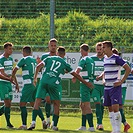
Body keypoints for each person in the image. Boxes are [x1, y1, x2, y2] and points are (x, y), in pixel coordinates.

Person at [28, 46, 93, 131]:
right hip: (54, 83)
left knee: (37, 102)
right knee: (56, 104)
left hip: (44, 81)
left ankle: (33, 122)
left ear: (57, 53)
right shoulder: (64, 63)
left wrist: (35, 78)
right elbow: (75, 74)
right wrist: (85, 82)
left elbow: (38, 67)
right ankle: (54, 125)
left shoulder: (49, 58)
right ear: (64, 54)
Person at [98, 41, 131, 133]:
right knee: (110, 109)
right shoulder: (105, 58)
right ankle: (114, 129)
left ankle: (117, 130)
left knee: (116, 108)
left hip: (115, 87)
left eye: (104, 47)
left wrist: (121, 81)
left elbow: (128, 69)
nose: (102, 49)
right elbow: (105, 71)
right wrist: (104, 80)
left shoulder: (116, 58)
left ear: (109, 48)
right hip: (107, 87)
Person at [11, 46, 46, 130]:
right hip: (35, 84)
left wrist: (15, 82)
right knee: (34, 104)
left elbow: (14, 70)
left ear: (23, 52)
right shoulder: (34, 60)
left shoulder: (24, 59)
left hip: (28, 84)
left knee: (22, 104)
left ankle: (24, 125)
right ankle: (44, 121)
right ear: (31, 52)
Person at [72, 44, 95, 132]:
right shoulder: (91, 60)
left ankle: (91, 126)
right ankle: (83, 126)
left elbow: (78, 70)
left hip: (85, 84)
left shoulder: (83, 59)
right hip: (90, 82)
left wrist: (74, 77)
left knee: (86, 105)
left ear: (81, 51)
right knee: (82, 105)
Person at [0, 42, 19, 128]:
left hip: (9, 83)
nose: (11, 50)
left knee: (9, 103)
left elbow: (12, 73)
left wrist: (16, 83)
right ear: (5, 49)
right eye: (9, 49)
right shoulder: (1, 59)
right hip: (3, 83)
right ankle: (8, 124)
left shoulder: (11, 59)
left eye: (12, 49)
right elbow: (2, 73)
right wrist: (9, 78)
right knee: (7, 103)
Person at [40, 38, 58, 127]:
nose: (53, 47)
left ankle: (54, 123)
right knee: (48, 99)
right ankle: (47, 121)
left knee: (55, 102)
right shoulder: (44, 56)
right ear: (48, 46)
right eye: (52, 46)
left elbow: (65, 69)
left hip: (56, 83)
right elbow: (40, 68)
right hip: (46, 82)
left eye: (55, 46)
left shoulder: (59, 57)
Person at [112, 48, 131, 132]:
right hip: (113, 87)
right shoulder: (111, 63)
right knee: (115, 107)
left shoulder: (124, 62)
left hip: (122, 87)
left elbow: (129, 69)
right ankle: (123, 125)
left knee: (119, 107)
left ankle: (124, 124)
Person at [90, 42, 104, 130]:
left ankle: (100, 123)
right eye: (97, 49)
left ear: (103, 49)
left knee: (102, 105)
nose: (99, 51)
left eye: (100, 49)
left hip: (104, 85)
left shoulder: (106, 59)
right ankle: (100, 123)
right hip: (95, 85)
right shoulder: (91, 58)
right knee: (97, 103)